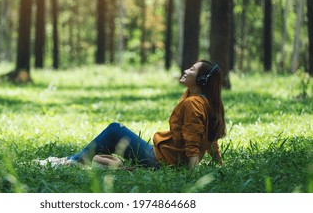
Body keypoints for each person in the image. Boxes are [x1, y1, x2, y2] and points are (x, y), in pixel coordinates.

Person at [36, 60, 225, 170]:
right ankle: (71, 160)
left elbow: (193, 139)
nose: (186, 70)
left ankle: (69, 162)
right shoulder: (205, 102)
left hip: (160, 160)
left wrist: (190, 174)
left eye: (192, 70)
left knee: (114, 130)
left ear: (201, 79)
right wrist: (219, 164)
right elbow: (210, 136)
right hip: (165, 158)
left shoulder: (193, 104)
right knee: (113, 134)